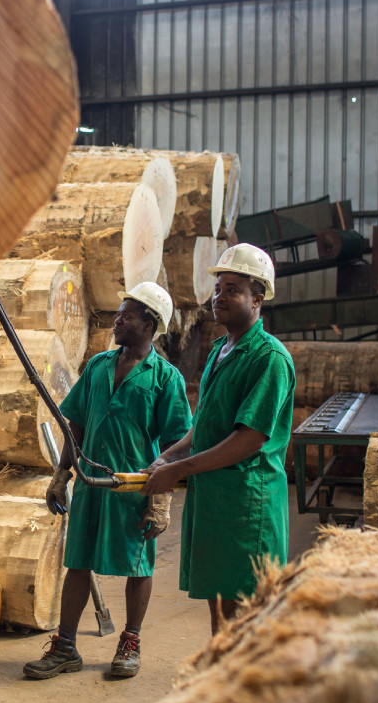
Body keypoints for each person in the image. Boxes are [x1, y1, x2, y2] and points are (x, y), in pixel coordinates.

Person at [23, 282, 192, 679]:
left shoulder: (165, 378)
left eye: (127, 315)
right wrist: (61, 474)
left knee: (139, 565)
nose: (117, 320)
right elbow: (76, 425)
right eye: (119, 313)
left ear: (149, 324)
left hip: (134, 488)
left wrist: (161, 498)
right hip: (89, 484)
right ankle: (65, 647)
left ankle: (130, 643)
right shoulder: (99, 365)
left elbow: (176, 443)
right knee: (78, 561)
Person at [141, 243, 295, 635]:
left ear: (258, 299)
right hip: (216, 499)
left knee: (244, 611)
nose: (219, 297)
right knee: (220, 607)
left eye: (233, 290)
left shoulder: (268, 358)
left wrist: (179, 469)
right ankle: (222, 679)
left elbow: (248, 439)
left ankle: (241, 689)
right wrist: (167, 456)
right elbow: (205, 425)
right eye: (218, 288)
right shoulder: (220, 351)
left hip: (247, 502)